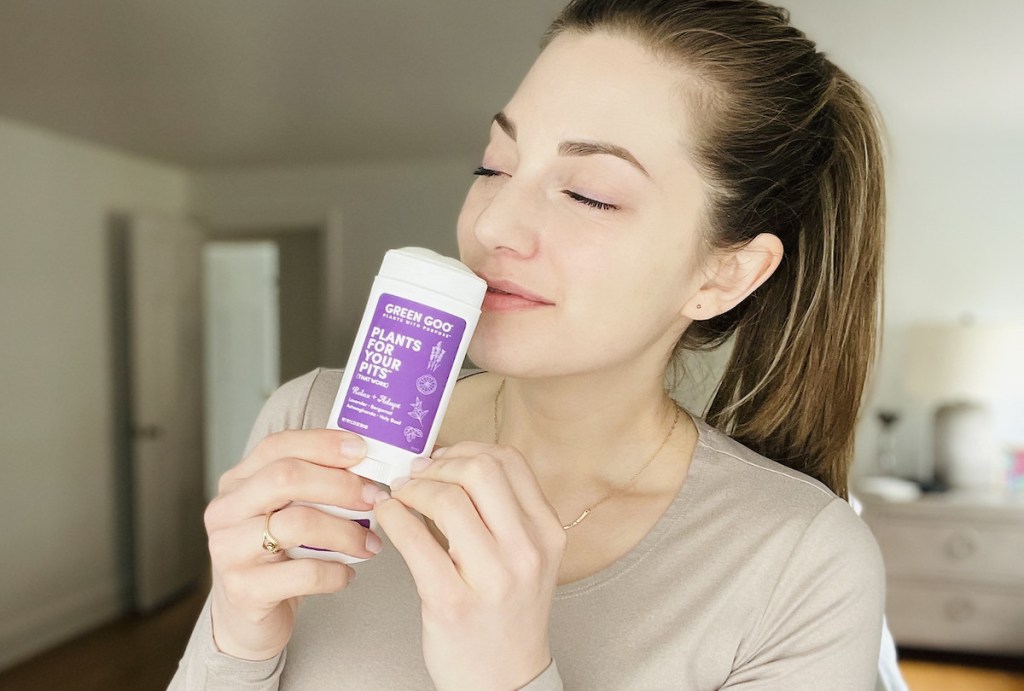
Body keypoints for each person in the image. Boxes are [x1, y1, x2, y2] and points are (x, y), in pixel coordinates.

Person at [172, 0, 896, 688]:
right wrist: (236, 640)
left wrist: (508, 676)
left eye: (589, 194)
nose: (493, 227)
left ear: (724, 272)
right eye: (494, 165)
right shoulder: (314, 422)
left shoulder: (803, 564)